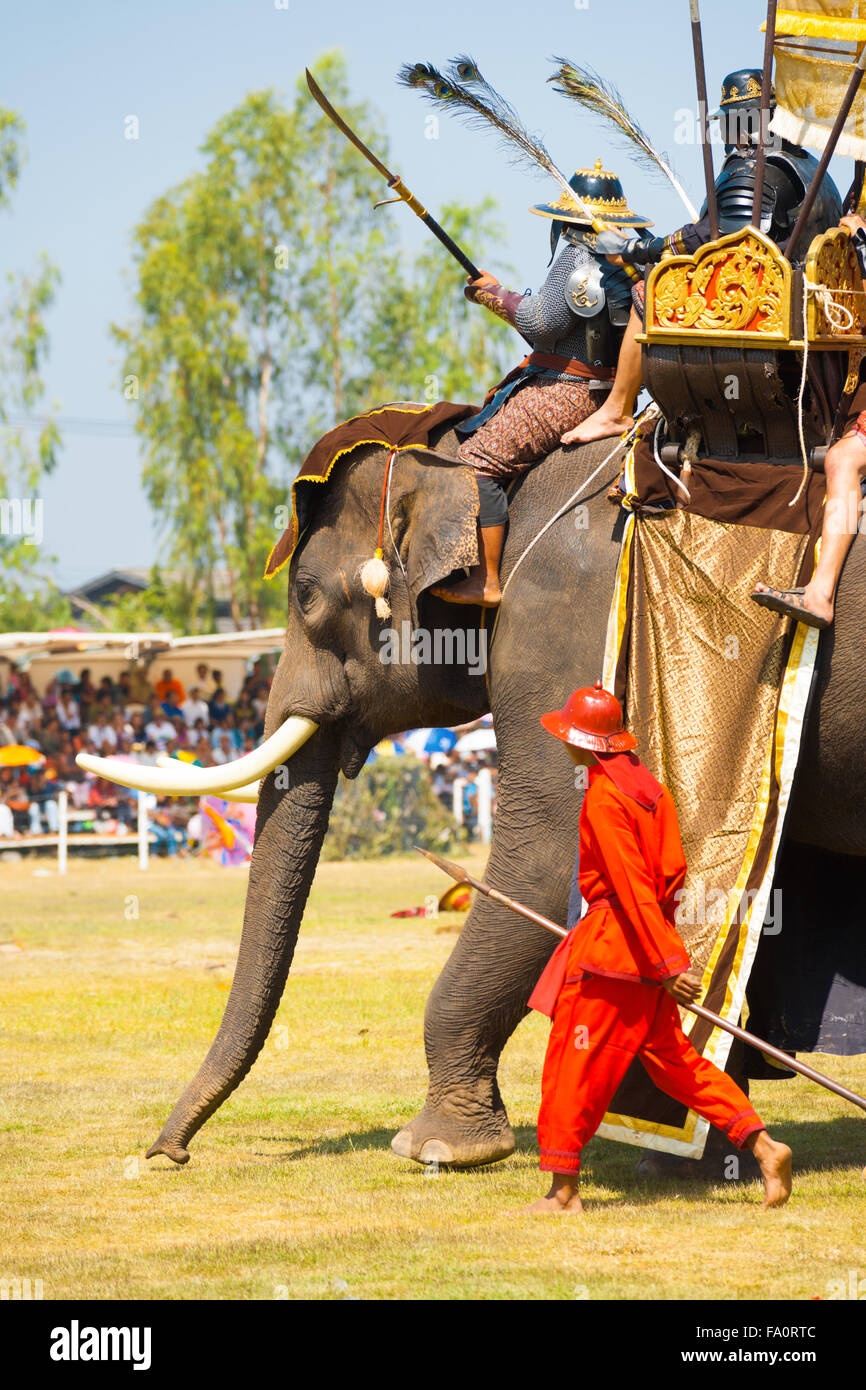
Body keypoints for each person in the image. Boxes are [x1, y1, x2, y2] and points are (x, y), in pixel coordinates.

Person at [527, 680, 792, 1213]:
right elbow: (669, 875)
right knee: (678, 1064)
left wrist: (665, 963)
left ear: (584, 742)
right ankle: (764, 1146)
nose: (563, 743)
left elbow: (630, 887)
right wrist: (664, 956)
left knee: (571, 1065)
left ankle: (562, 1193)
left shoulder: (604, 794)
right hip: (646, 955)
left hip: (615, 957)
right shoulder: (651, 788)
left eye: (568, 734)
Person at [564, 67, 843, 446]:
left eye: (728, 123)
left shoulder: (754, 167)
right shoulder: (813, 167)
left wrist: (636, 249)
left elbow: (722, 239)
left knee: (650, 291)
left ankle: (616, 409)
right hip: (812, 310)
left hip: (767, 314)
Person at [425, 161, 649, 608]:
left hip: (567, 392)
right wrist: (499, 295)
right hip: (604, 391)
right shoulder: (624, 256)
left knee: (474, 461)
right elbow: (560, 330)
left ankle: (486, 580)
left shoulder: (575, 250)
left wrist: (492, 295)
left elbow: (541, 322)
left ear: (565, 219)